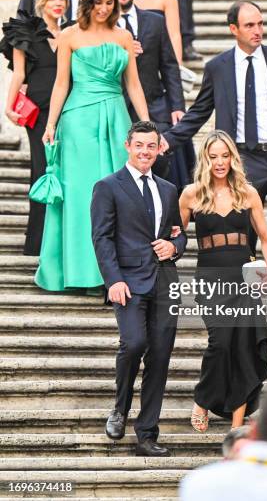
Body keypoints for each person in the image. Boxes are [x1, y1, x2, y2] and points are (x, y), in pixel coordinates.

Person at [164, 0, 267, 265]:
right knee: (245, 230)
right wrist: (168, 139)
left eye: (260, 24)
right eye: (250, 25)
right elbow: (200, 110)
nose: (257, 30)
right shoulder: (218, 66)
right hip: (242, 158)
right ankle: (245, 295)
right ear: (234, 29)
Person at [35, 0, 149, 291]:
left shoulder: (124, 37)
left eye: (109, 2)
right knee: (81, 195)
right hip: (78, 124)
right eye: (97, 2)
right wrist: (51, 124)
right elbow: (61, 83)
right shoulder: (69, 36)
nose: (103, 8)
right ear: (87, 2)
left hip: (116, 118)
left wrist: (147, 124)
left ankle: (116, 272)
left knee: (122, 195)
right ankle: (80, 271)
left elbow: (134, 85)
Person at [91, 121, 187, 457]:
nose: (145, 152)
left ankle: (146, 433)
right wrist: (113, 279)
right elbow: (101, 237)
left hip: (164, 281)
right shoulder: (108, 186)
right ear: (127, 146)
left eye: (151, 146)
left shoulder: (168, 188)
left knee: (160, 358)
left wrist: (174, 247)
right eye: (139, 145)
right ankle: (120, 407)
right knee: (134, 343)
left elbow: (179, 232)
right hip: (127, 282)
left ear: (159, 148)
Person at [179, 130, 267, 431]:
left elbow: (266, 238)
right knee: (220, 344)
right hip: (209, 278)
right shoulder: (190, 194)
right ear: (205, 159)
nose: (220, 162)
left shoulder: (248, 193)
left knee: (243, 349)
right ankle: (202, 400)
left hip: (243, 278)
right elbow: (176, 236)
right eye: (213, 156)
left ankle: (236, 423)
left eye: (225, 155)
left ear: (233, 157)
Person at [106, 0, 194, 189]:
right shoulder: (100, 29)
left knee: (164, 164)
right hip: (114, 108)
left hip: (154, 106)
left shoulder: (154, 21)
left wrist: (177, 105)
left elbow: (169, 66)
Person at [0, 0, 68, 255]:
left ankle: (62, 240)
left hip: (68, 111)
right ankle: (38, 243)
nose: (58, 4)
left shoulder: (72, 32)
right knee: (42, 171)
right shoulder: (25, 32)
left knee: (65, 173)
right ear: (41, 1)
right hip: (38, 114)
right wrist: (9, 106)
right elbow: (19, 73)